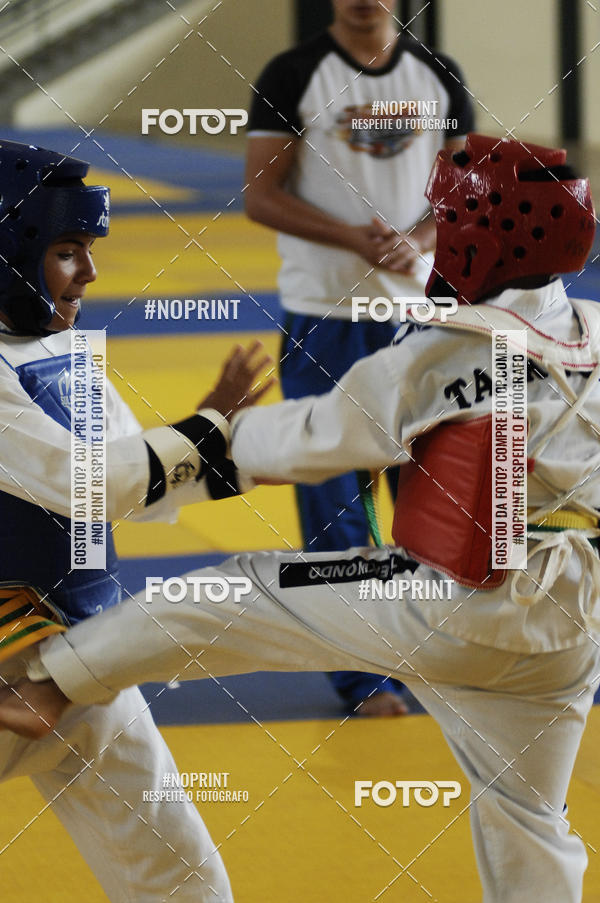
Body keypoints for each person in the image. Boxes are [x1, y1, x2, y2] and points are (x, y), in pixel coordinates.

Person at [3, 134, 600, 902]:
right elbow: (118, 478)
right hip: (573, 629)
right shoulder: (586, 328)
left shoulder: (448, 350)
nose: (440, 238)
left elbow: (326, 435)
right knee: (531, 821)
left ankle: (52, 681)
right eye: (68, 250)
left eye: (450, 225)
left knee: (226, 590)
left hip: (461, 603)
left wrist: (218, 434)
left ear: (484, 239)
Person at [0, 139, 274, 902]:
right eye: (66, 251)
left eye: (88, 249)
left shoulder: (59, 353)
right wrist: (207, 424)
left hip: (76, 662)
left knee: (182, 875)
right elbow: (86, 484)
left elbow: (142, 475)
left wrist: (284, 447)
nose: (89, 272)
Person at [245, 0, 475, 714]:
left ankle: (432, 650)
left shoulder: (438, 73)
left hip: (419, 314)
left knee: (430, 499)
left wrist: (420, 237)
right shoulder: (293, 74)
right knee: (334, 500)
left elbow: (463, 185)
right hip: (326, 315)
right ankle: (361, 673)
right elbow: (260, 193)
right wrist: (350, 236)